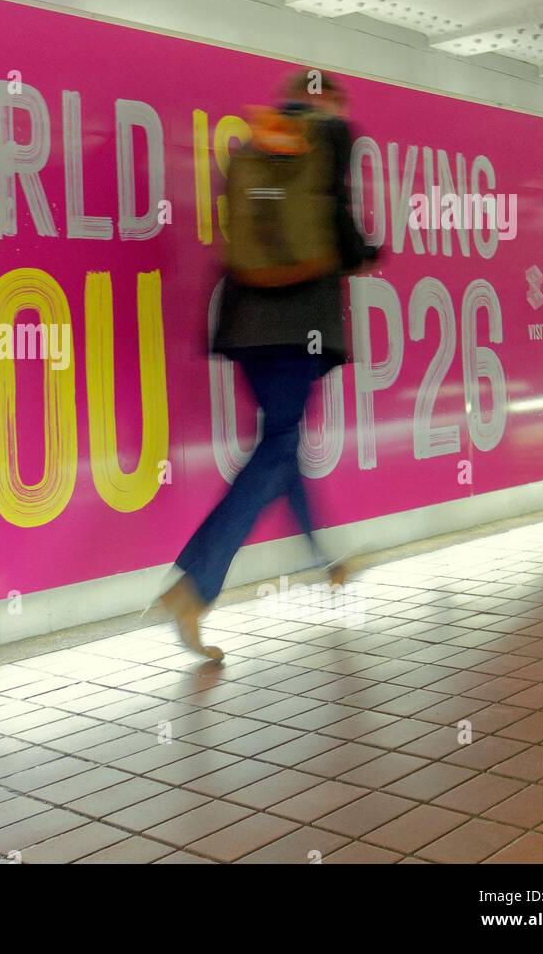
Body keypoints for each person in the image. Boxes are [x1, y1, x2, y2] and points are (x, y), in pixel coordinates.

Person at [158, 68, 379, 661]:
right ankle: (193, 586)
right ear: (325, 99)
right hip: (300, 322)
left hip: (246, 320)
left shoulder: (254, 146)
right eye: (336, 97)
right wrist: (365, 253)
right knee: (280, 446)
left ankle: (327, 561)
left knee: (282, 442)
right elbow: (342, 231)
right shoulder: (332, 137)